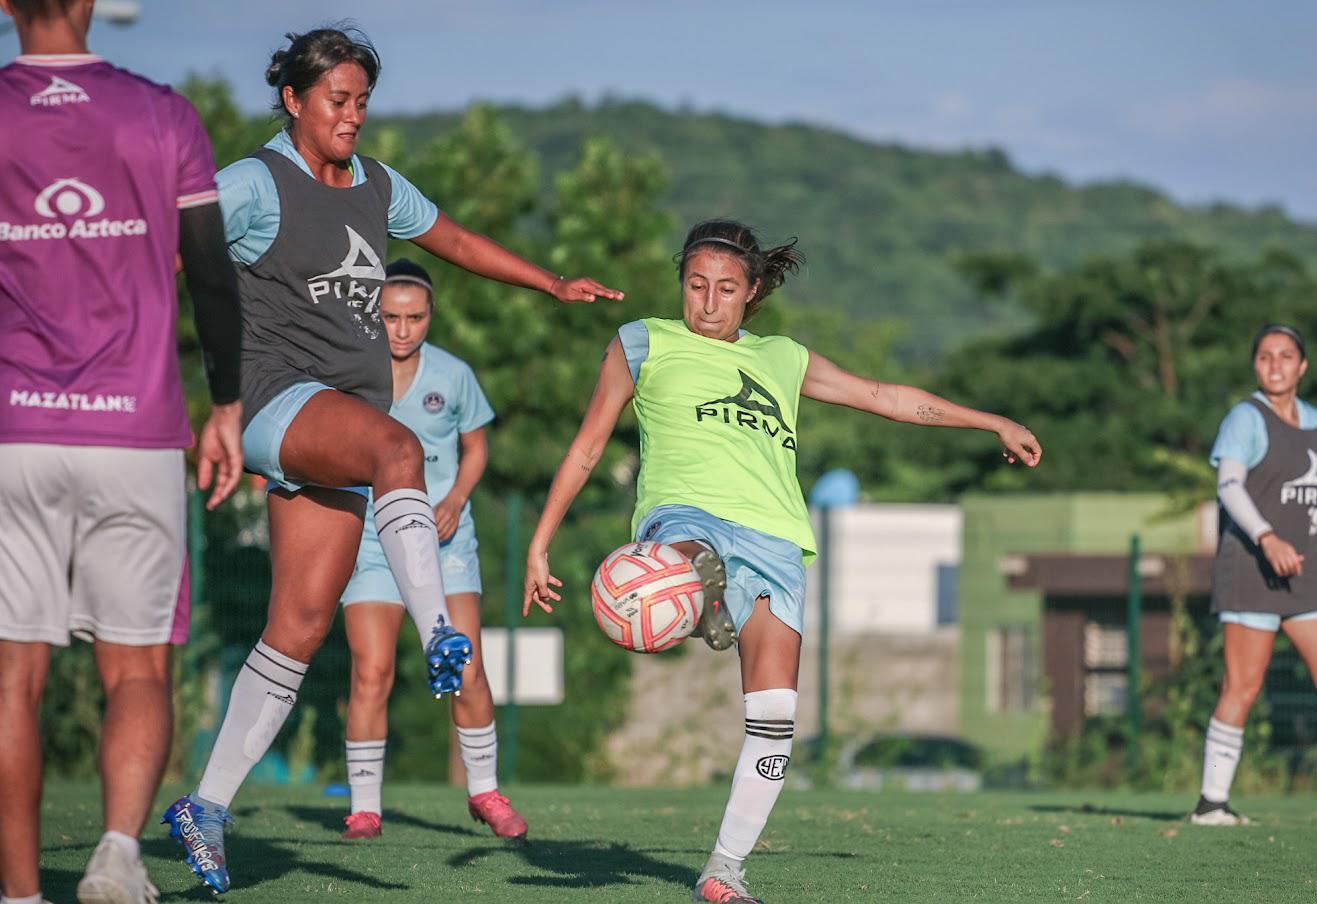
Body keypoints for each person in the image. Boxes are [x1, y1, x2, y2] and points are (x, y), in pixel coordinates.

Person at [163, 26, 619, 893]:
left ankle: (207, 805)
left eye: (363, 101)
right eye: (337, 100)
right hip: (271, 401)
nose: (352, 116)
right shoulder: (257, 184)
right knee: (398, 448)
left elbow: (456, 241)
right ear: (293, 100)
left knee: (296, 628)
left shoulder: (376, 186)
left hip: (338, 422)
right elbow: (180, 241)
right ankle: (439, 632)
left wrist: (550, 284)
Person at [523, 219, 1041, 903]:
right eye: (696, 285)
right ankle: (697, 589)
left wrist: (990, 421)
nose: (707, 303)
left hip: (775, 541)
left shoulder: (782, 359)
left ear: (753, 291)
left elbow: (885, 397)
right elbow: (589, 447)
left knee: (774, 720)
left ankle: (723, 870)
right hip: (687, 516)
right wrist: (541, 539)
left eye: (726, 289)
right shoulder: (643, 342)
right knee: (686, 555)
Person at [0, 1, 244, 902]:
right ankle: (115, 853)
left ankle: (20, 894)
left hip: (13, 432)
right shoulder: (162, 112)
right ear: (94, 3)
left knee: (12, 674)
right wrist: (226, 403)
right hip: (137, 431)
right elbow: (213, 272)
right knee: (138, 665)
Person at [337, 259, 525, 841]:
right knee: (372, 672)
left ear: (430, 316)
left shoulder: (454, 374)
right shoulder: (347, 374)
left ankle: (485, 793)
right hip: (370, 543)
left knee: (466, 666)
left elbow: (476, 449)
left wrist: (456, 500)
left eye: (413, 317)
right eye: (389, 317)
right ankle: (365, 808)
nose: (401, 330)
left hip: (446, 545)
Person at [1191, 324, 1317, 826]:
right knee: (1242, 687)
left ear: (1302, 365)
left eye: (1286, 356)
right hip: (1253, 572)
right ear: (1255, 365)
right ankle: (1211, 804)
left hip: (1309, 577)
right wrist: (1266, 537)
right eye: (1265, 356)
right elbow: (1229, 486)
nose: (1276, 364)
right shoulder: (1246, 417)